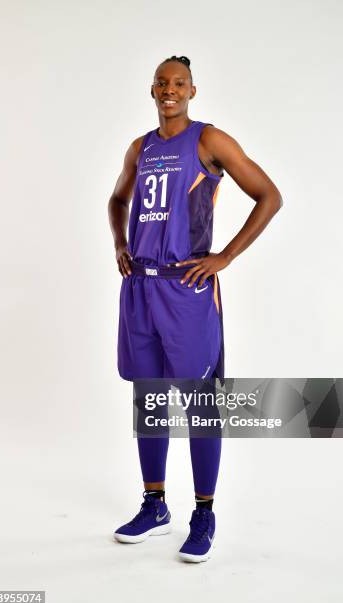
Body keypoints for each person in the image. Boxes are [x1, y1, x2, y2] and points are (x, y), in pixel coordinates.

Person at [107, 55, 282, 562]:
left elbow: (268, 195)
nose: (170, 90)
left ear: (192, 90)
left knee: (201, 405)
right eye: (162, 82)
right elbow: (117, 200)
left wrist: (224, 256)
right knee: (149, 399)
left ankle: (203, 511)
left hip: (188, 288)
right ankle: (155, 504)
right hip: (140, 285)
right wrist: (119, 242)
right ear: (152, 89)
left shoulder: (209, 140)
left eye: (178, 83)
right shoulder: (140, 148)